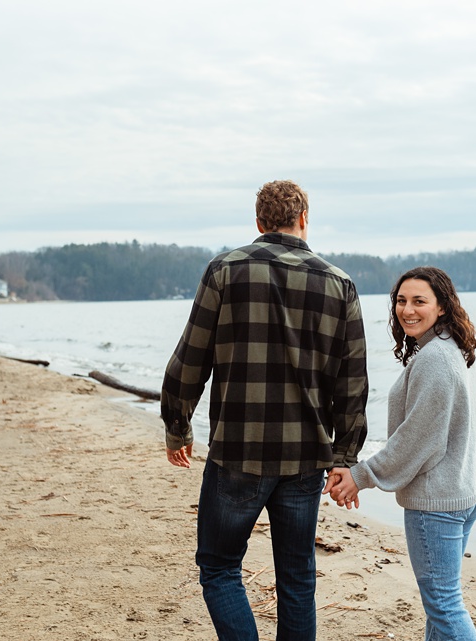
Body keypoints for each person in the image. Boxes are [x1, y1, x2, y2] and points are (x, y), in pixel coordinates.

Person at [161, 179, 369, 641]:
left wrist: (178, 427)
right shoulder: (341, 285)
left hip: (238, 452)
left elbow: (190, 358)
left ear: (258, 222)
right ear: (304, 220)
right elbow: (352, 384)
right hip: (305, 457)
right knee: (297, 579)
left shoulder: (225, 270)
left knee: (218, 568)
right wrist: (345, 456)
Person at [324, 266, 476, 641]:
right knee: (440, 608)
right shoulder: (449, 346)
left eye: (419, 301)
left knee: (444, 606)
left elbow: (418, 440)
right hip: (461, 490)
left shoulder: (436, 358)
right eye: (401, 301)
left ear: (442, 306)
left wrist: (360, 476)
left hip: (438, 503)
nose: (407, 310)